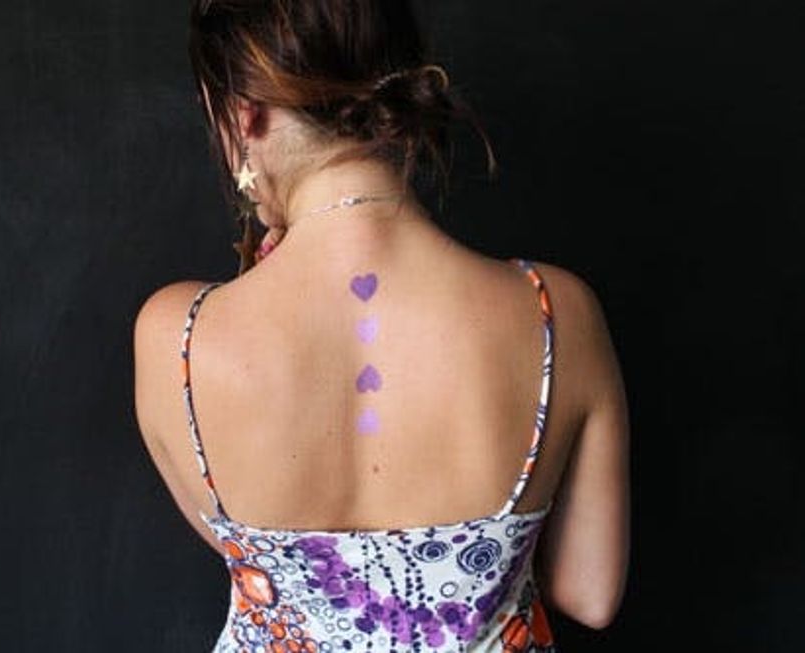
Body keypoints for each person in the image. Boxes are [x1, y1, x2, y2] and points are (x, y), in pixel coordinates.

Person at [133, 1, 630, 650]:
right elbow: (589, 592)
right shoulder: (557, 315)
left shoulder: (176, 339)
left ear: (244, 112)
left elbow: (260, 564)